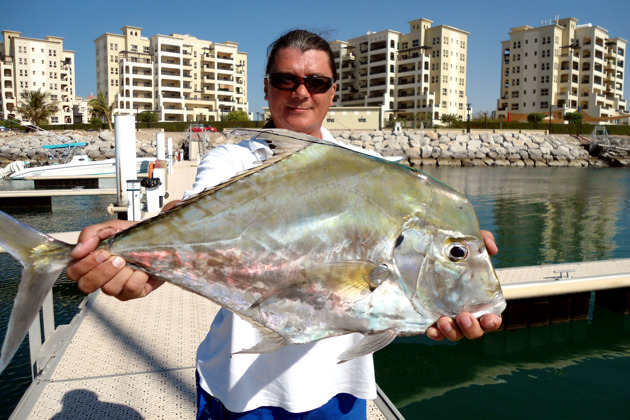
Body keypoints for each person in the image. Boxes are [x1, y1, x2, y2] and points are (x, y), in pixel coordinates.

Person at [67, 29, 502, 419]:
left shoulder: (382, 172)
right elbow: (200, 212)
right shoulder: (232, 159)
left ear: (333, 91)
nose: (300, 92)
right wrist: (139, 244)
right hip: (238, 388)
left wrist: (455, 269)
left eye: (315, 82)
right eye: (285, 80)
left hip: (340, 392)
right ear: (267, 88)